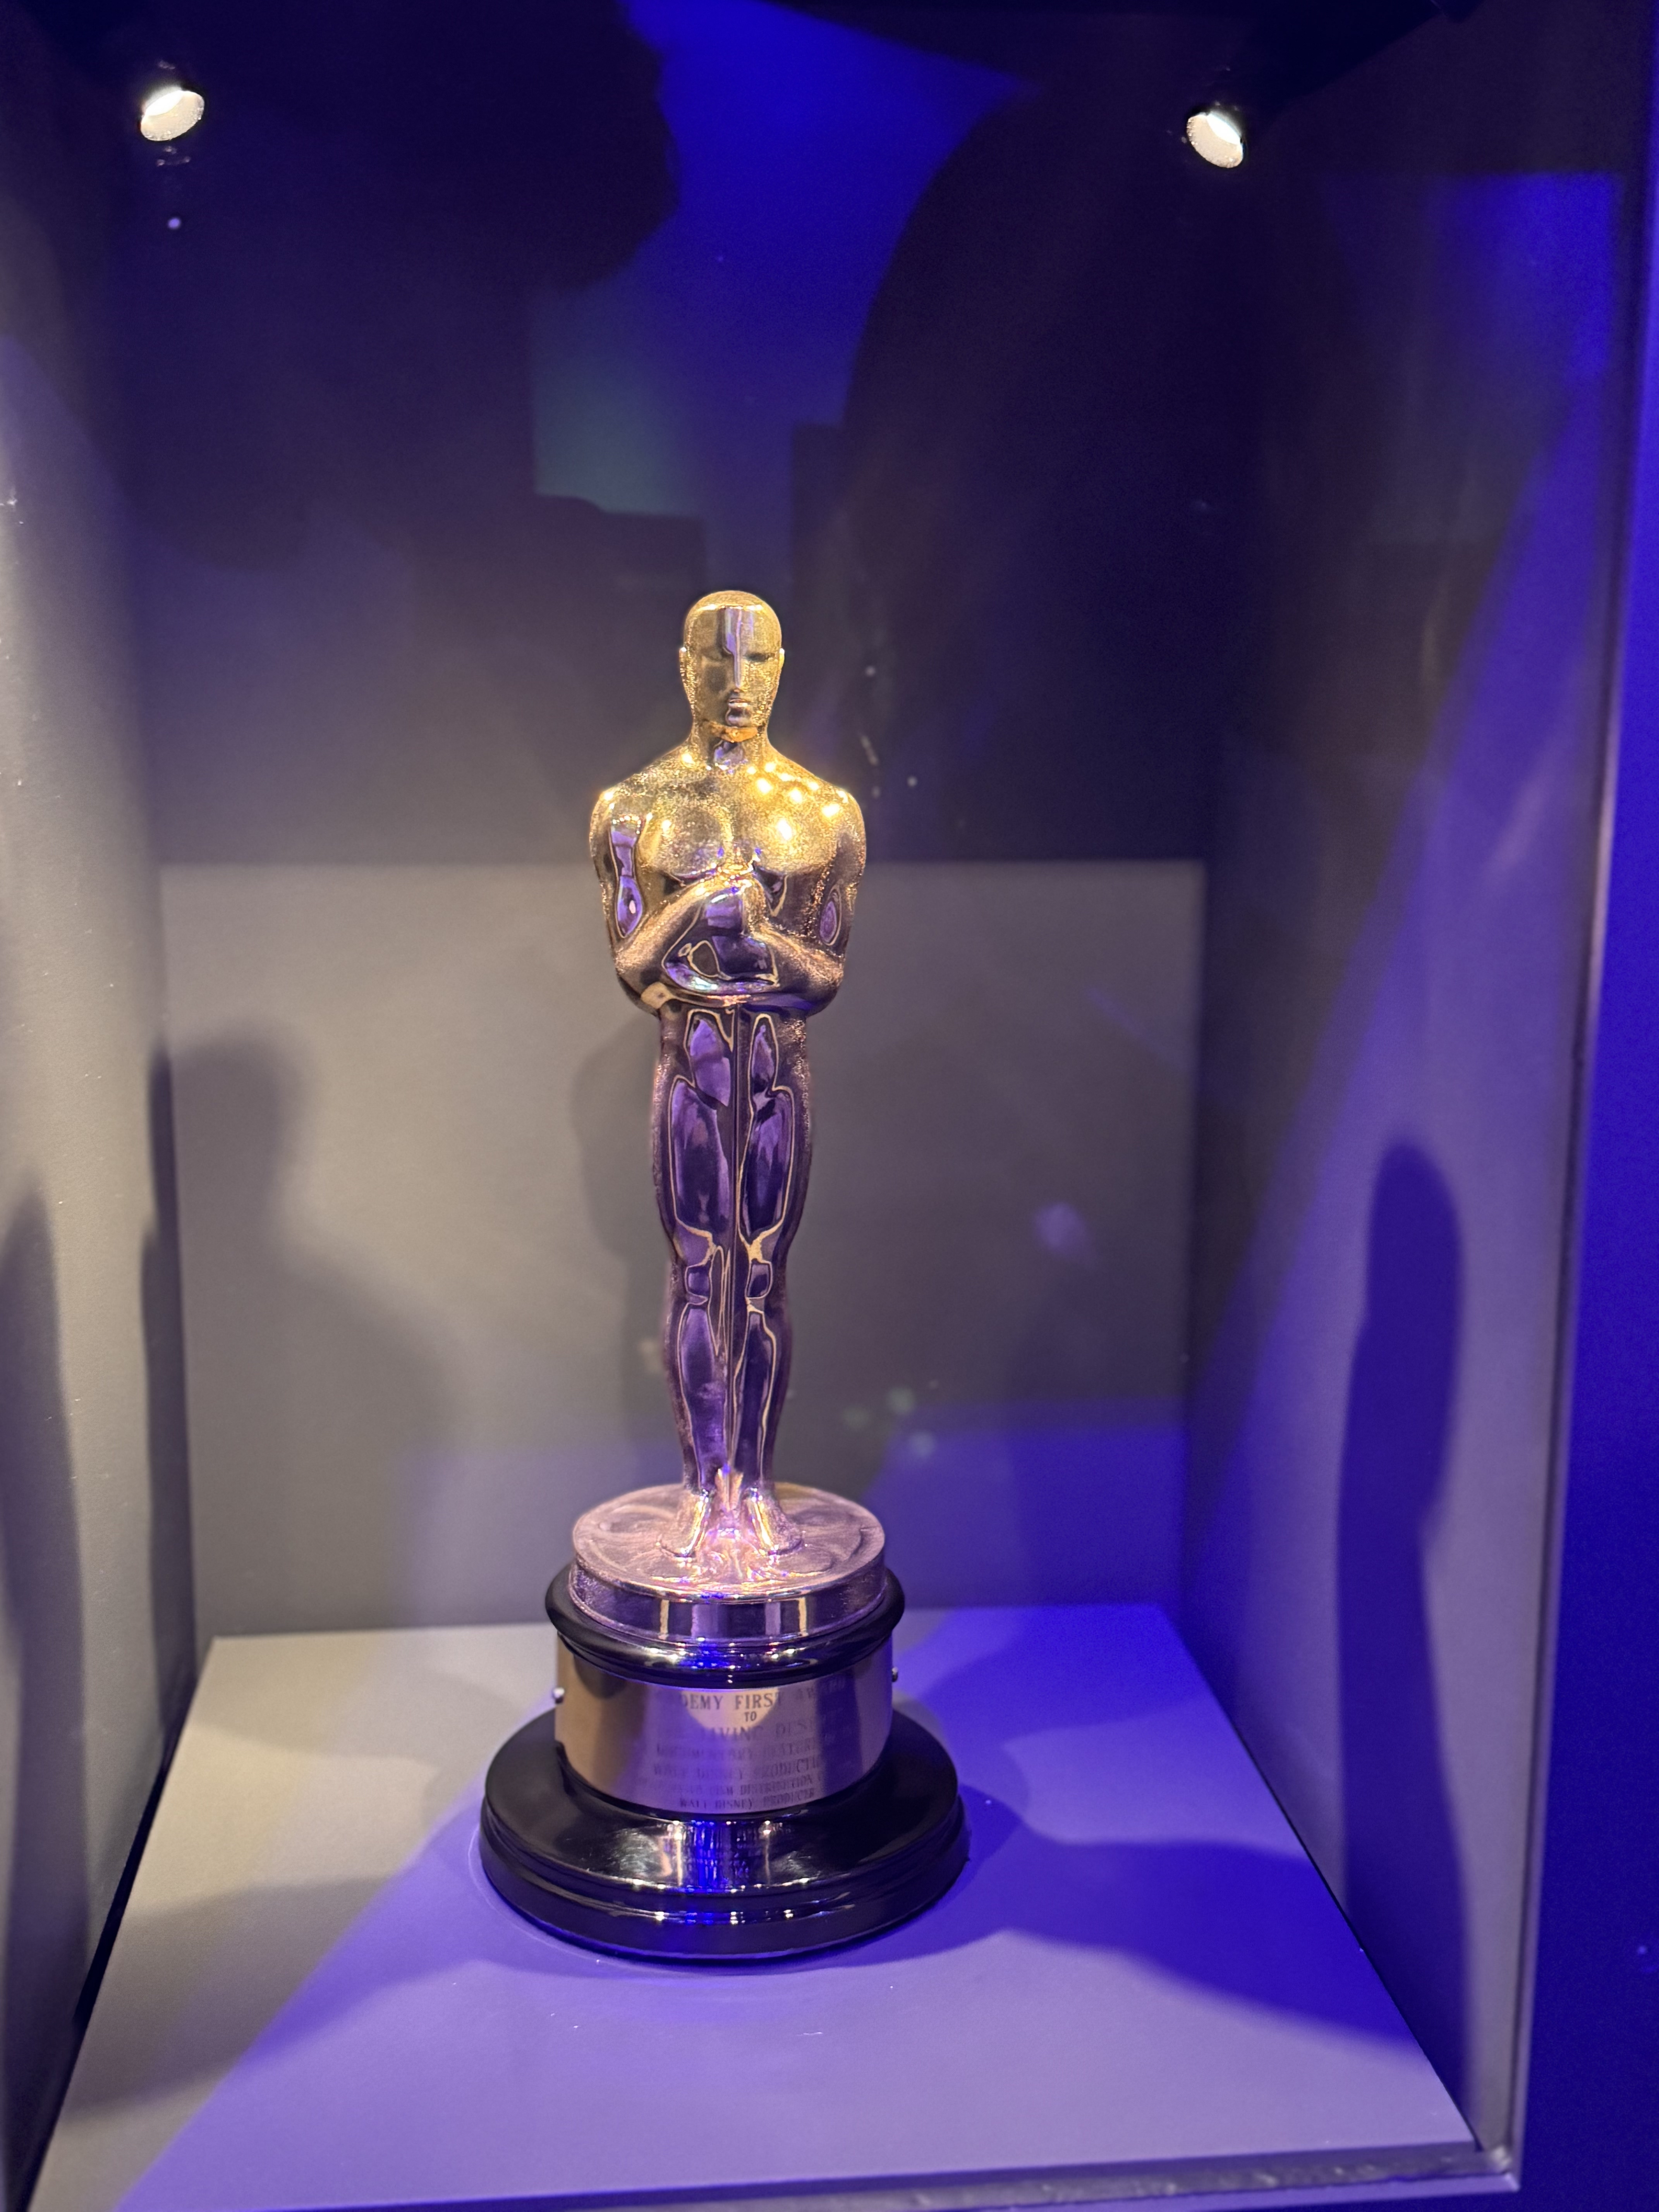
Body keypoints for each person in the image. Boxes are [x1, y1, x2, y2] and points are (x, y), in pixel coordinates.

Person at [589, 592, 866, 1565]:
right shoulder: (634, 808)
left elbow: (824, 978)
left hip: (778, 1070)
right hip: (694, 1062)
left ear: (781, 669)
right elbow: (633, 968)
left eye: (757, 661)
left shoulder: (825, 813)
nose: (738, 680)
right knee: (699, 1268)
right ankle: (707, 1490)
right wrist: (699, 904)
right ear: (686, 667)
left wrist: (757, 942)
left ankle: (754, 1484)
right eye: (718, 659)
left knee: (762, 1271)